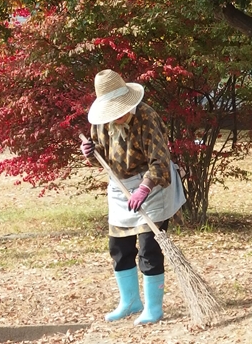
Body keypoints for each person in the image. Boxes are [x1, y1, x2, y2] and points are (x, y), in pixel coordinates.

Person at [80, 69, 186, 324]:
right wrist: (90, 154)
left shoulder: (147, 117)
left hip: (153, 186)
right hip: (120, 187)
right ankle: (130, 302)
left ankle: (153, 307)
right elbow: (102, 157)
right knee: (119, 247)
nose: (117, 115)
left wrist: (144, 187)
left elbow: (160, 161)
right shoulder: (101, 122)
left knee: (149, 247)